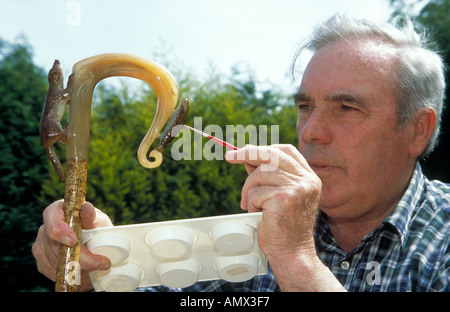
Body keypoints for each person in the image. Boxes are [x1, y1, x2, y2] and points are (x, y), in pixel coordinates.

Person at [32, 14, 449, 292]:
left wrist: (297, 262)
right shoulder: (260, 228)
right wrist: (98, 268)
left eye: (347, 108)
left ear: (417, 130)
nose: (312, 131)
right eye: (306, 107)